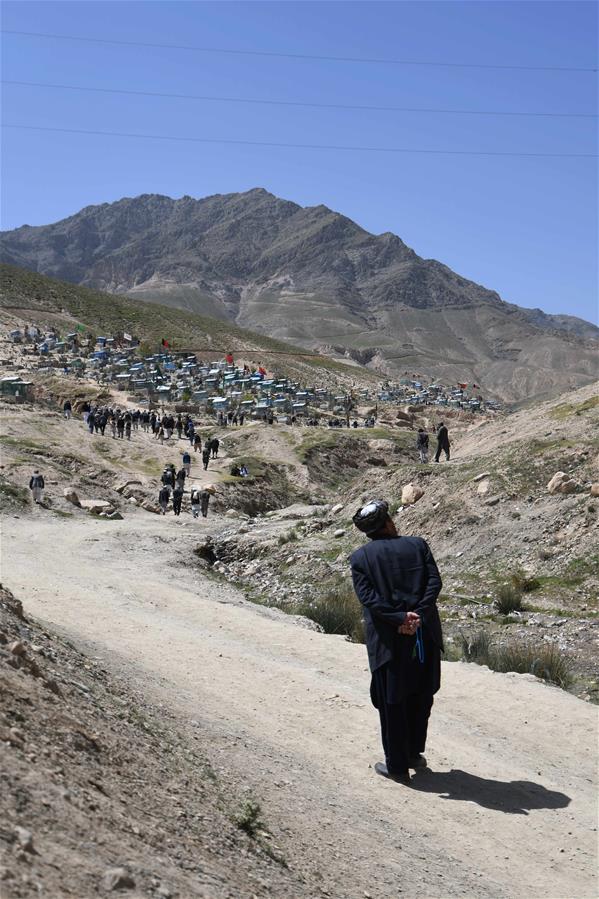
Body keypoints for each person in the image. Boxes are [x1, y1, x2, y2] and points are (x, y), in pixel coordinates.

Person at [349, 500, 443, 785]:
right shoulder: (418, 545)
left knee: (392, 701)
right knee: (421, 694)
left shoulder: (360, 558)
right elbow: (434, 583)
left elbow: (369, 599)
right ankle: (413, 753)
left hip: (388, 643)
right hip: (423, 636)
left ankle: (397, 766)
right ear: (388, 523)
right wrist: (416, 617)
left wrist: (400, 618)